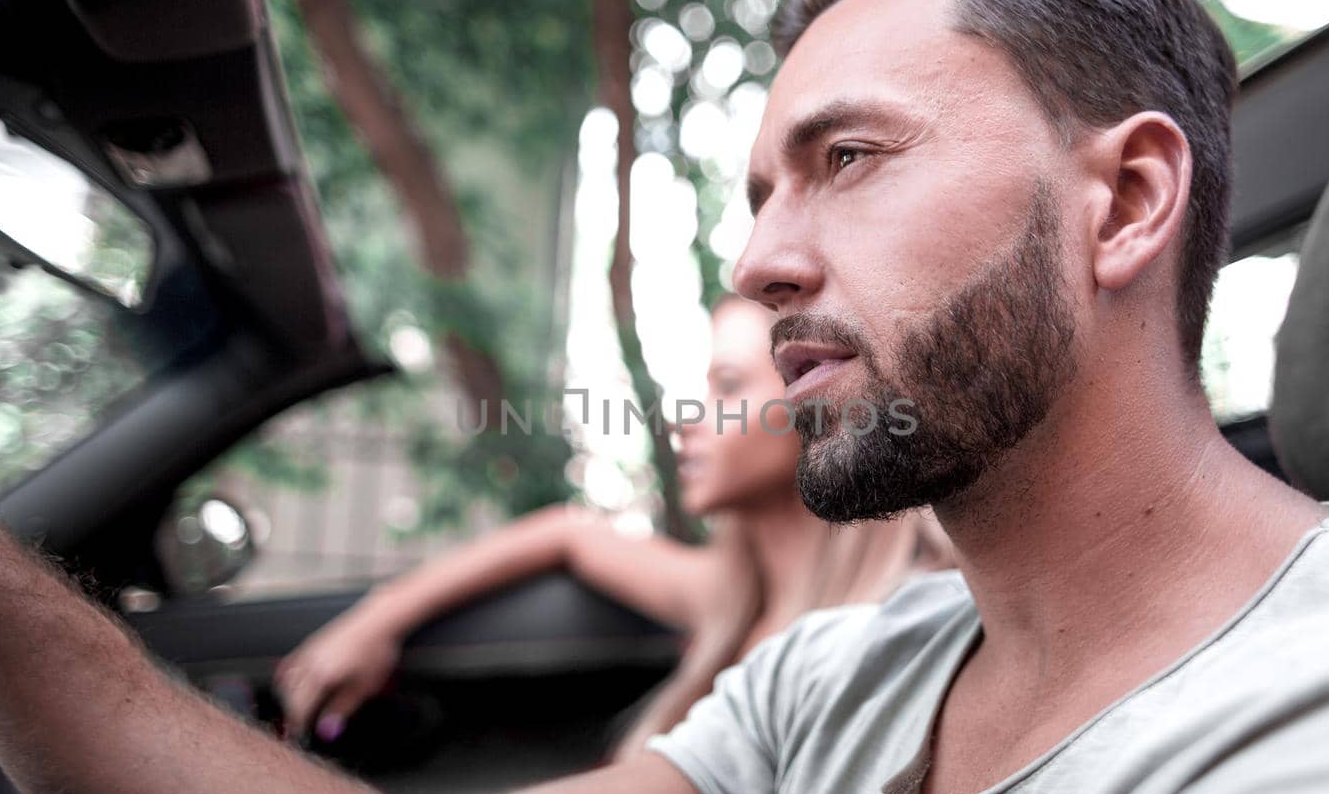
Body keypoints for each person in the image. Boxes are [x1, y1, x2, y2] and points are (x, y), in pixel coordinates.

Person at [0, 0, 1329, 794]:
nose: (762, 258)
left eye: (848, 156)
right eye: (761, 191)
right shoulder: (834, 682)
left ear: (1124, 199)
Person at [273, 295, 954, 759]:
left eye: (726, 385)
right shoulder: (723, 593)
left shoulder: (909, 612)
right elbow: (567, 532)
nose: (687, 414)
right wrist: (380, 616)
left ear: (819, 403)